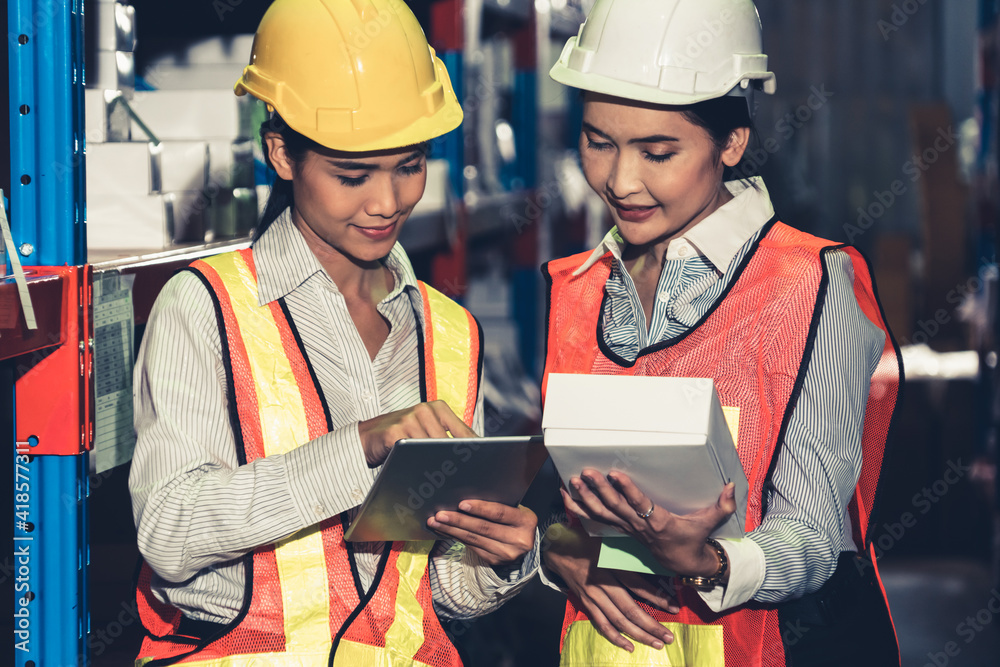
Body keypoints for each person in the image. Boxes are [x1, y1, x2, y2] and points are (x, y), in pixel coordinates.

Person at [128, 1, 538, 664]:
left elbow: (437, 588)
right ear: (281, 153)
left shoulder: (450, 331)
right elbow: (169, 532)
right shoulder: (205, 308)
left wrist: (496, 554)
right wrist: (360, 446)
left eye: (410, 165)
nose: (387, 202)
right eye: (352, 175)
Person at [538, 1, 902, 665]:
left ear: (730, 142)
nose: (620, 181)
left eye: (658, 151)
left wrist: (709, 562)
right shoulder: (573, 287)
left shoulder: (809, 284)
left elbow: (816, 535)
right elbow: (557, 498)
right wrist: (557, 547)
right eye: (598, 142)